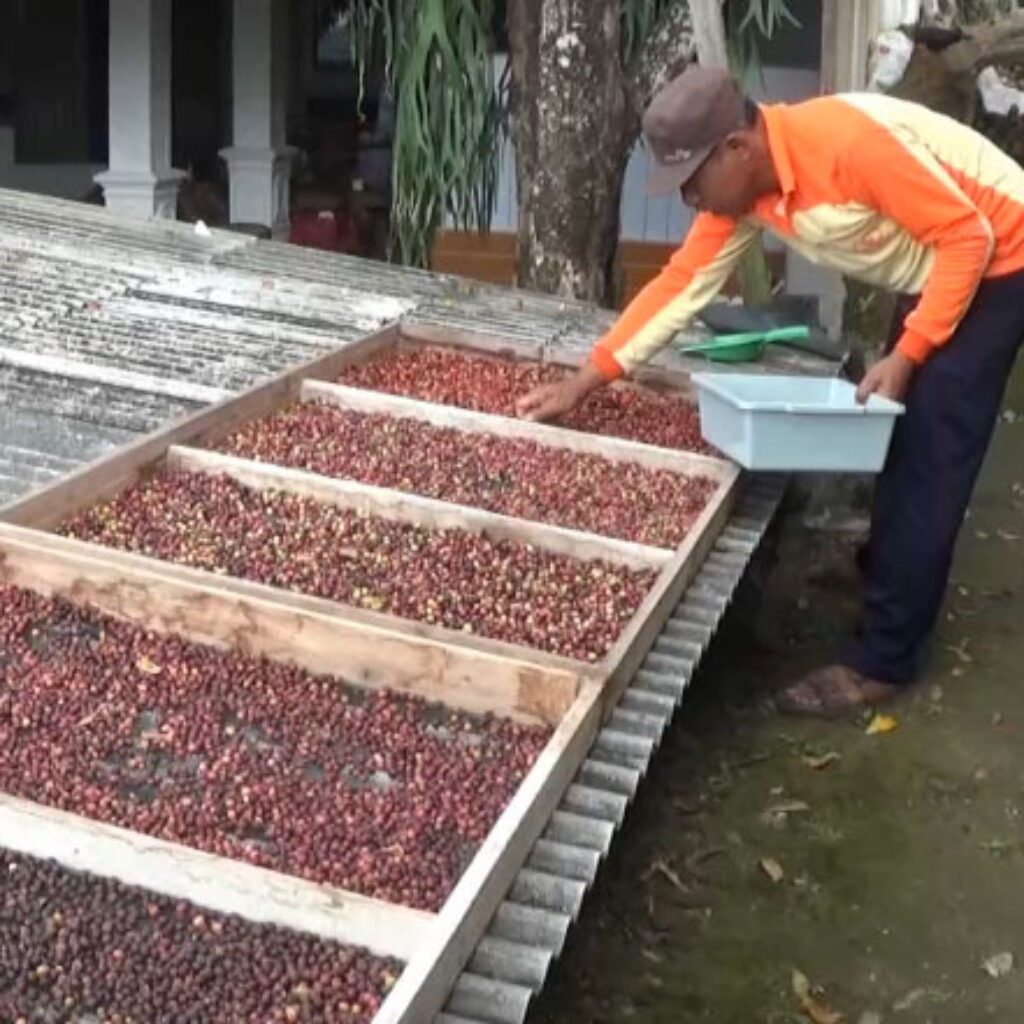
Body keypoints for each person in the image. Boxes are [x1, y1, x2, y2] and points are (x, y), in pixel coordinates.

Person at [516, 65, 1024, 718]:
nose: (690, 200)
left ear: (738, 147)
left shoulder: (846, 147)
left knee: (933, 448)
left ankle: (883, 660)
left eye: (693, 182)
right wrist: (588, 377)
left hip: (1001, 256)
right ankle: (886, 566)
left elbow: (969, 236)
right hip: (938, 263)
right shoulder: (745, 196)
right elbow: (682, 284)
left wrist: (909, 351)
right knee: (901, 424)